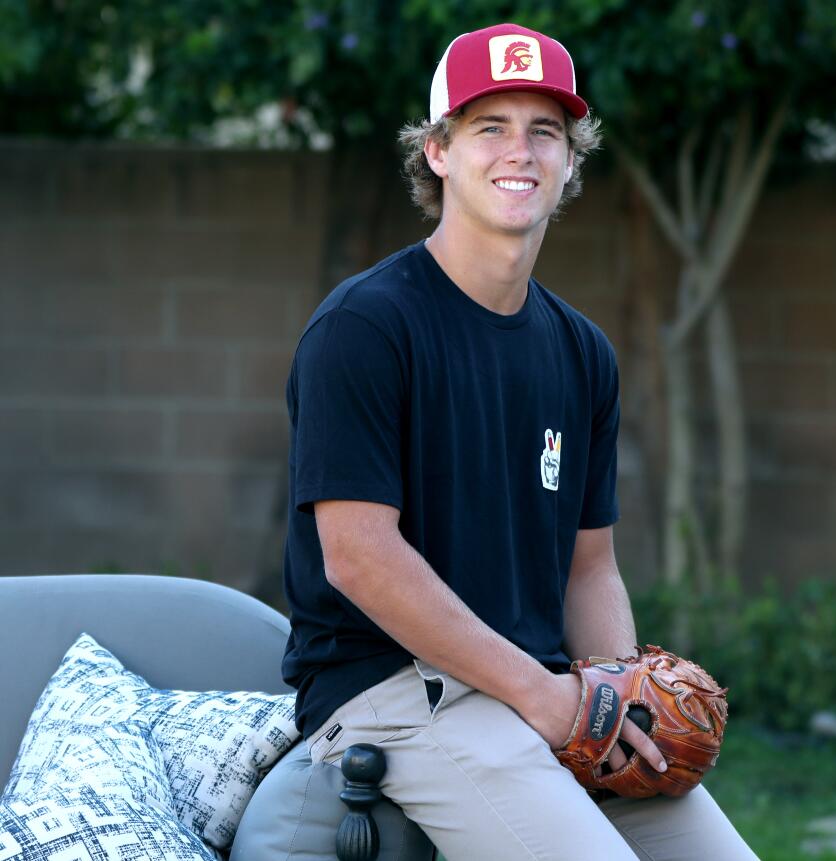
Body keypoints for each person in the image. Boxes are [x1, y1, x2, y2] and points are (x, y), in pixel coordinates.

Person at [280, 22, 757, 860]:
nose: (521, 151)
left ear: (571, 161)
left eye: (545, 131)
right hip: (394, 690)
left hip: (538, 692)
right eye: (489, 127)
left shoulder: (581, 353)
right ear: (437, 151)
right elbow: (356, 556)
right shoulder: (364, 328)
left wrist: (615, 696)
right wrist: (544, 696)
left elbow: (590, 565)